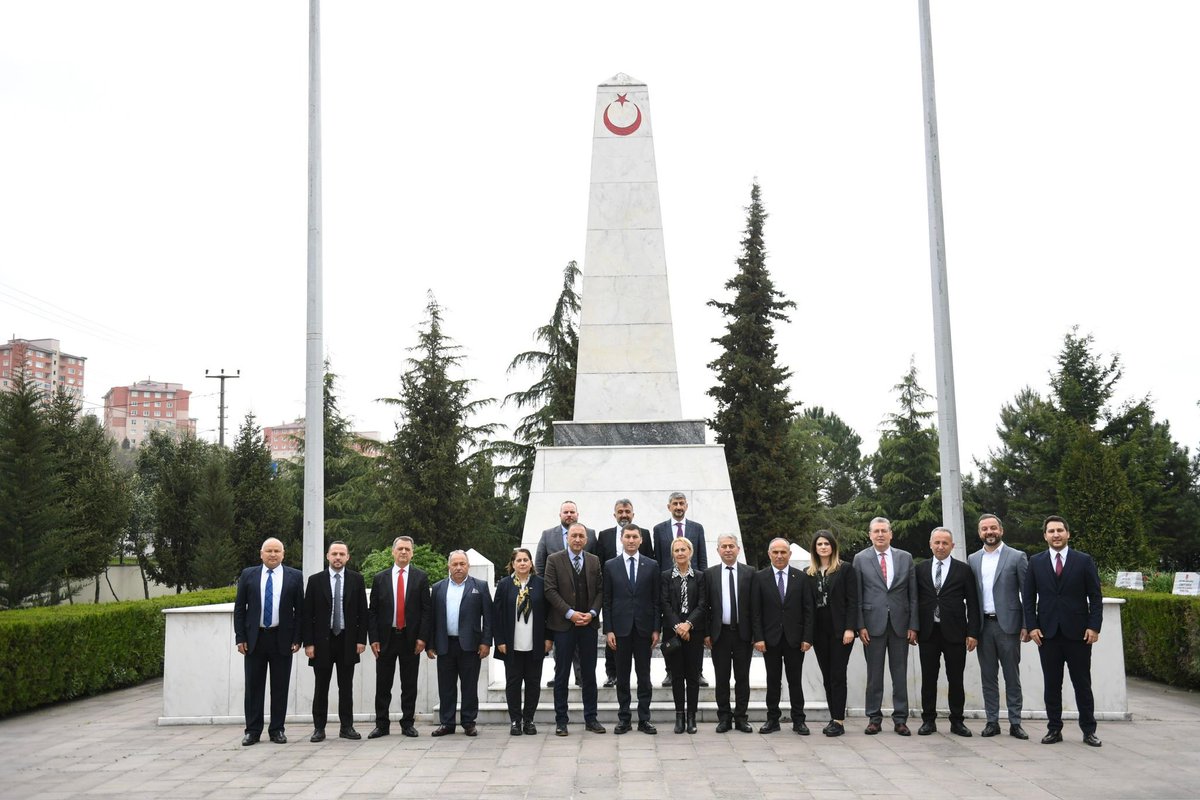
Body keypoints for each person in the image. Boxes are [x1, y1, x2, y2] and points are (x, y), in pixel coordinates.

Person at [1023, 515, 1104, 747]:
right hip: (1047, 635)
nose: (1056, 535)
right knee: (1052, 684)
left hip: (1079, 634)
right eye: (1051, 531)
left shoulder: (1083, 560)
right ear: (1045, 536)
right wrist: (1033, 627)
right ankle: (1054, 729)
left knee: (1082, 684)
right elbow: (1028, 599)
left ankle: (1089, 730)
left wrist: (1094, 626)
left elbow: (1095, 598)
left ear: (1068, 533)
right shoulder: (1036, 562)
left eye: (1060, 530)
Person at [233, 537, 304, 746]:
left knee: (280, 687)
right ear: (261, 553)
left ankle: (277, 730)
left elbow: (300, 611)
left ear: (283, 554)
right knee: (253, 686)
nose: (273, 554)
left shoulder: (295, 576)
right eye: (269, 551)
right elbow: (240, 609)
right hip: (255, 639)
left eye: (276, 551)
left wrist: (297, 638)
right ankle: (252, 731)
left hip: (282, 638)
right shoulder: (248, 575)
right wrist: (240, 638)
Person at [853, 517, 918, 736]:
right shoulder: (860, 559)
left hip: (900, 625)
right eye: (876, 531)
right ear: (869, 534)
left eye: (884, 531)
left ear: (891, 534)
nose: (880, 534)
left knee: (900, 674)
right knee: (874, 675)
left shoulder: (905, 558)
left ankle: (900, 719)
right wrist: (859, 625)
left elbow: (913, 595)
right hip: (872, 625)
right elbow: (857, 595)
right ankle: (874, 718)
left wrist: (913, 625)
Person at [968, 513, 1030, 739]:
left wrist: (1026, 624)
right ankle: (992, 721)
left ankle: (1015, 722)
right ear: (979, 533)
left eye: (993, 528)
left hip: (1009, 626)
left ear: (1001, 530)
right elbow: (972, 597)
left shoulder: (1017, 557)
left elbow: (1027, 593)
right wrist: (971, 630)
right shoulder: (973, 559)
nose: (989, 532)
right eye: (984, 529)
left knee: (1012, 676)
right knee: (988, 677)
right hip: (984, 627)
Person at [915, 527, 980, 737]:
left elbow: (973, 602)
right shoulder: (920, 569)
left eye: (945, 543)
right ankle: (928, 720)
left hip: (955, 632)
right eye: (937, 543)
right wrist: (913, 628)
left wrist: (973, 632)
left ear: (952, 546)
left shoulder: (963, 570)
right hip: (927, 632)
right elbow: (914, 601)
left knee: (955, 679)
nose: (941, 547)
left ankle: (957, 721)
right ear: (930, 544)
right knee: (928, 678)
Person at [302, 540, 368, 742]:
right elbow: (307, 614)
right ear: (327, 556)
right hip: (322, 641)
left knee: (346, 686)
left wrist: (361, 640)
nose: (338, 557)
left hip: (347, 641)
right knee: (321, 686)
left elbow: (362, 613)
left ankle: (346, 727)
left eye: (342, 554)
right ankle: (319, 728)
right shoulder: (315, 581)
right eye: (334, 554)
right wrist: (309, 643)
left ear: (348, 557)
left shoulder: (357, 580)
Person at [544, 523, 606, 736]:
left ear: (586, 539)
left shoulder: (594, 560)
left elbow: (600, 590)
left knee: (589, 674)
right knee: (562, 675)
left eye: (581, 536)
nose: (578, 539)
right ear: (567, 538)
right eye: (574, 536)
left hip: (588, 626)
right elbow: (550, 590)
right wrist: (570, 613)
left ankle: (592, 718)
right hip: (563, 626)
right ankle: (561, 721)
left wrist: (592, 613)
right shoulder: (554, 560)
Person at [367, 536, 431, 739]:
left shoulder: (420, 577)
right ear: (393, 552)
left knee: (409, 684)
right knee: (383, 684)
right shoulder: (380, 578)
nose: (404, 552)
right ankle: (382, 724)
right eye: (400, 549)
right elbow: (373, 612)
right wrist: (373, 638)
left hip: (410, 639)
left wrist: (422, 638)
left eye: (407, 549)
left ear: (412, 553)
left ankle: (407, 723)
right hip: (386, 639)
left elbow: (425, 611)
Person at [751, 537, 815, 734]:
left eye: (783, 552)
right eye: (775, 552)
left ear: (789, 554)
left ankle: (799, 720)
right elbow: (755, 611)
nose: (779, 556)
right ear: (769, 554)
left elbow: (808, 611)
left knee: (795, 681)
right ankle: (772, 719)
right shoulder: (760, 577)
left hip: (795, 639)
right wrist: (758, 638)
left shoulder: (802, 577)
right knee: (772, 680)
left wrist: (807, 638)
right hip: (770, 640)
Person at [426, 550, 493, 737]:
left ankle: (468, 722)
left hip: (470, 646)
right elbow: (432, 618)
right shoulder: (438, 588)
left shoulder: (479, 586)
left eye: (462, 564)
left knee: (469, 686)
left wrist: (486, 642)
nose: (458, 568)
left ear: (468, 566)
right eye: (454, 564)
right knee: (446, 686)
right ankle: (447, 723)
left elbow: (488, 617)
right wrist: (430, 644)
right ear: (449, 566)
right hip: (445, 644)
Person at [604, 524, 661, 734]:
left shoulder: (651, 565)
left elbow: (656, 600)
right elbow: (607, 601)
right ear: (621, 539)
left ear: (641, 540)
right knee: (623, 676)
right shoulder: (610, 565)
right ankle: (624, 718)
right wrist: (608, 630)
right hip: (620, 631)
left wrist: (656, 628)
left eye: (634, 537)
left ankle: (644, 719)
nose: (631, 540)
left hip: (644, 630)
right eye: (627, 536)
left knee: (644, 677)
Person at [535, 500, 597, 687]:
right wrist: (548, 589)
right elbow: (539, 564)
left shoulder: (591, 535)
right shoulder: (547, 535)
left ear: (578, 514)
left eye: (572, 512)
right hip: (556, 600)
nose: (569, 515)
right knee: (561, 642)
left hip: (584, 602)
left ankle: (580, 676)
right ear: (560, 515)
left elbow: (595, 564)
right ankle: (559, 674)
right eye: (566, 512)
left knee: (581, 644)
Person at [492, 548, 551, 735]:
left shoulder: (541, 584)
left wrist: (549, 638)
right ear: (513, 564)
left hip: (535, 643)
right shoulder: (504, 585)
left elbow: (549, 614)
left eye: (526, 560)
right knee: (513, 683)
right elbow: (496, 615)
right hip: (511, 644)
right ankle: (515, 721)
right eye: (519, 560)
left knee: (533, 683)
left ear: (531, 563)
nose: (523, 563)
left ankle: (529, 720)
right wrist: (499, 640)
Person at [806, 530, 858, 737]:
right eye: (819, 544)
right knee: (827, 676)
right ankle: (833, 715)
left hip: (840, 630)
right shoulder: (809, 572)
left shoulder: (845, 569)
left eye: (826, 544)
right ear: (815, 548)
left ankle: (839, 720)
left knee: (838, 674)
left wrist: (849, 628)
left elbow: (853, 601)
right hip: (819, 631)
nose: (823, 547)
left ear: (833, 546)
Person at [653, 492, 707, 686]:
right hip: (670, 587)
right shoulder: (659, 530)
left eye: (681, 503)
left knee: (695, 636)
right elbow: (658, 560)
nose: (678, 506)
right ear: (669, 506)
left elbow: (702, 559)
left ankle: (698, 672)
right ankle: (670, 672)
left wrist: (701, 583)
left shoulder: (696, 528)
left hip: (693, 585)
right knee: (671, 633)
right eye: (674, 503)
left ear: (686, 505)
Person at [597, 499, 652, 687]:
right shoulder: (604, 536)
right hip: (615, 596)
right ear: (615, 515)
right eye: (620, 512)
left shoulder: (644, 534)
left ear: (633, 514)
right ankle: (611, 674)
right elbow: (599, 565)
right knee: (613, 646)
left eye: (627, 511)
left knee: (642, 667)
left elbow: (650, 563)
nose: (624, 515)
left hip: (638, 600)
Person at [704, 534, 755, 733]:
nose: (727, 549)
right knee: (722, 678)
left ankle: (741, 717)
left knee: (742, 678)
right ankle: (724, 717)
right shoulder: (710, 574)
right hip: (720, 635)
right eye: (724, 546)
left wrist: (755, 635)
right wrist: (707, 633)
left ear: (738, 549)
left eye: (731, 546)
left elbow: (755, 607)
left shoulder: (750, 572)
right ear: (718, 550)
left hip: (743, 634)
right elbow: (706, 606)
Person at [661, 537, 706, 734]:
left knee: (693, 677)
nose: (680, 553)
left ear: (690, 552)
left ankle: (691, 717)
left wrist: (688, 624)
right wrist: (678, 626)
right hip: (673, 634)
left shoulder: (700, 576)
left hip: (694, 633)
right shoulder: (665, 577)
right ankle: (679, 716)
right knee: (677, 676)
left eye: (683, 549)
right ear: (672, 554)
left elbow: (703, 604)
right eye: (676, 550)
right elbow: (664, 604)